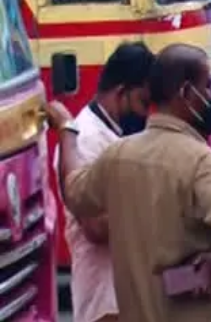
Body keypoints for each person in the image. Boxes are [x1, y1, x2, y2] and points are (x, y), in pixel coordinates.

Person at [48, 43, 211, 322]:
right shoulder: (196, 158)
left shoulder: (121, 151)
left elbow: (74, 189)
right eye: (208, 88)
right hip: (109, 302)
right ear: (186, 94)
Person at [56, 42, 155, 322]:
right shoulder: (86, 140)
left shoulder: (114, 134)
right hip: (105, 297)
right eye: (143, 102)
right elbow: (96, 227)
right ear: (121, 92)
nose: (146, 114)